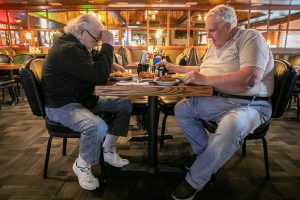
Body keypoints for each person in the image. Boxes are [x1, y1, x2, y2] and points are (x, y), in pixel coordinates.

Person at [157, 5, 274, 200]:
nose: (208, 35)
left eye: (212, 30)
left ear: (228, 26)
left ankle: (195, 179)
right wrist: (172, 67)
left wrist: (204, 80)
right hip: (220, 100)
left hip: (252, 104)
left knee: (232, 125)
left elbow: (250, 78)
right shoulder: (215, 45)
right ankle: (206, 159)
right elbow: (203, 69)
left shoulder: (250, 37)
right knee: (182, 108)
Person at [42, 13, 132, 191]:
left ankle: (108, 150)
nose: (98, 42)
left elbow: (93, 55)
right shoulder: (68, 49)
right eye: (96, 38)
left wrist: (112, 64)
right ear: (82, 32)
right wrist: (108, 44)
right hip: (62, 105)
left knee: (124, 104)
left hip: (81, 99)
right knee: (97, 127)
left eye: (100, 40)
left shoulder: (74, 44)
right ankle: (82, 165)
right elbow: (99, 75)